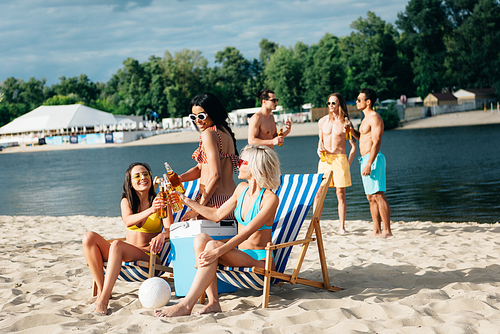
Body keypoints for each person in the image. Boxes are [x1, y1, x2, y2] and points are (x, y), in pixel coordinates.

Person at [155, 145, 281, 317]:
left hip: (260, 260)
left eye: (242, 162)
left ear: (255, 166)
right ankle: (213, 302)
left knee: (212, 244)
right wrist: (185, 200)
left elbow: (247, 232)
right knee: (200, 239)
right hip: (239, 254)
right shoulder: (241, 189)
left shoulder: (270, 199)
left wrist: (218, 251)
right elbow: (216, 215)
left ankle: (186, 305)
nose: (237, 165)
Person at [82, 162, 173, 315]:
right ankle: (103, 289)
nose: (143, 178)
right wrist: (152, 210)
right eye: (137, 176)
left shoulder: (161, 200)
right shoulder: (127, 201)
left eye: (145, 174)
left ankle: (102, 301)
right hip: (124, 253)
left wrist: (163, 235)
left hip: (148, 255)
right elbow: (128, 220)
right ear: (130, 183)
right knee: (88, 237)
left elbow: (170, 229)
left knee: (117, 245)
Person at [180, 93, 239, 221]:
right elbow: (200, 169)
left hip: (214, 201)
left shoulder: (209, 134)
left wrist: (198, 208)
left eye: (201, 116)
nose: (197, 121)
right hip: (231, 201)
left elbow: (216, 175)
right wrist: (179, 178)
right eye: (193, 117)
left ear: (213, 112)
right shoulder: (226, 132)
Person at [350, 88, 392, 238]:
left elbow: (377, 142)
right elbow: (364, 140)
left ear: (368, 102)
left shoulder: (374, 118)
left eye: (359, 99)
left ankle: (387, 231)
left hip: (373, 159)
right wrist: (353, 132)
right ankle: (376, 230)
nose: (356, 102)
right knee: (370, 197)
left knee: (379, 195)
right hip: (365, 159)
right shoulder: (364, 119)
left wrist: (369, 163)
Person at [315, 93, 357, 234]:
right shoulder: (322, 122)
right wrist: (319, 148)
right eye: (329, 103)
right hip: (325, 160)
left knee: (340, 193)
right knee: (318, 193)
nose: (331, 106)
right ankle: (316, 225)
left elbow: (353, 146)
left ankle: (342, 227)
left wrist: (348, 164)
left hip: (340, 159)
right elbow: (320, 140)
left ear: (339, 104)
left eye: (334, 103)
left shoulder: (346, 123)